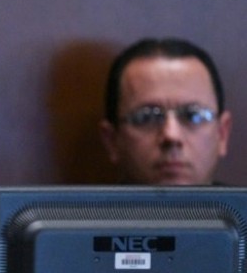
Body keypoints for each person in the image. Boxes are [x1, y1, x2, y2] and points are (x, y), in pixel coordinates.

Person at [98, 37, 232, 185]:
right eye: (147, 117)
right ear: (111, 141)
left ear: (222, 134)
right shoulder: (81, 209)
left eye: (193, 115)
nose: (171, 135)